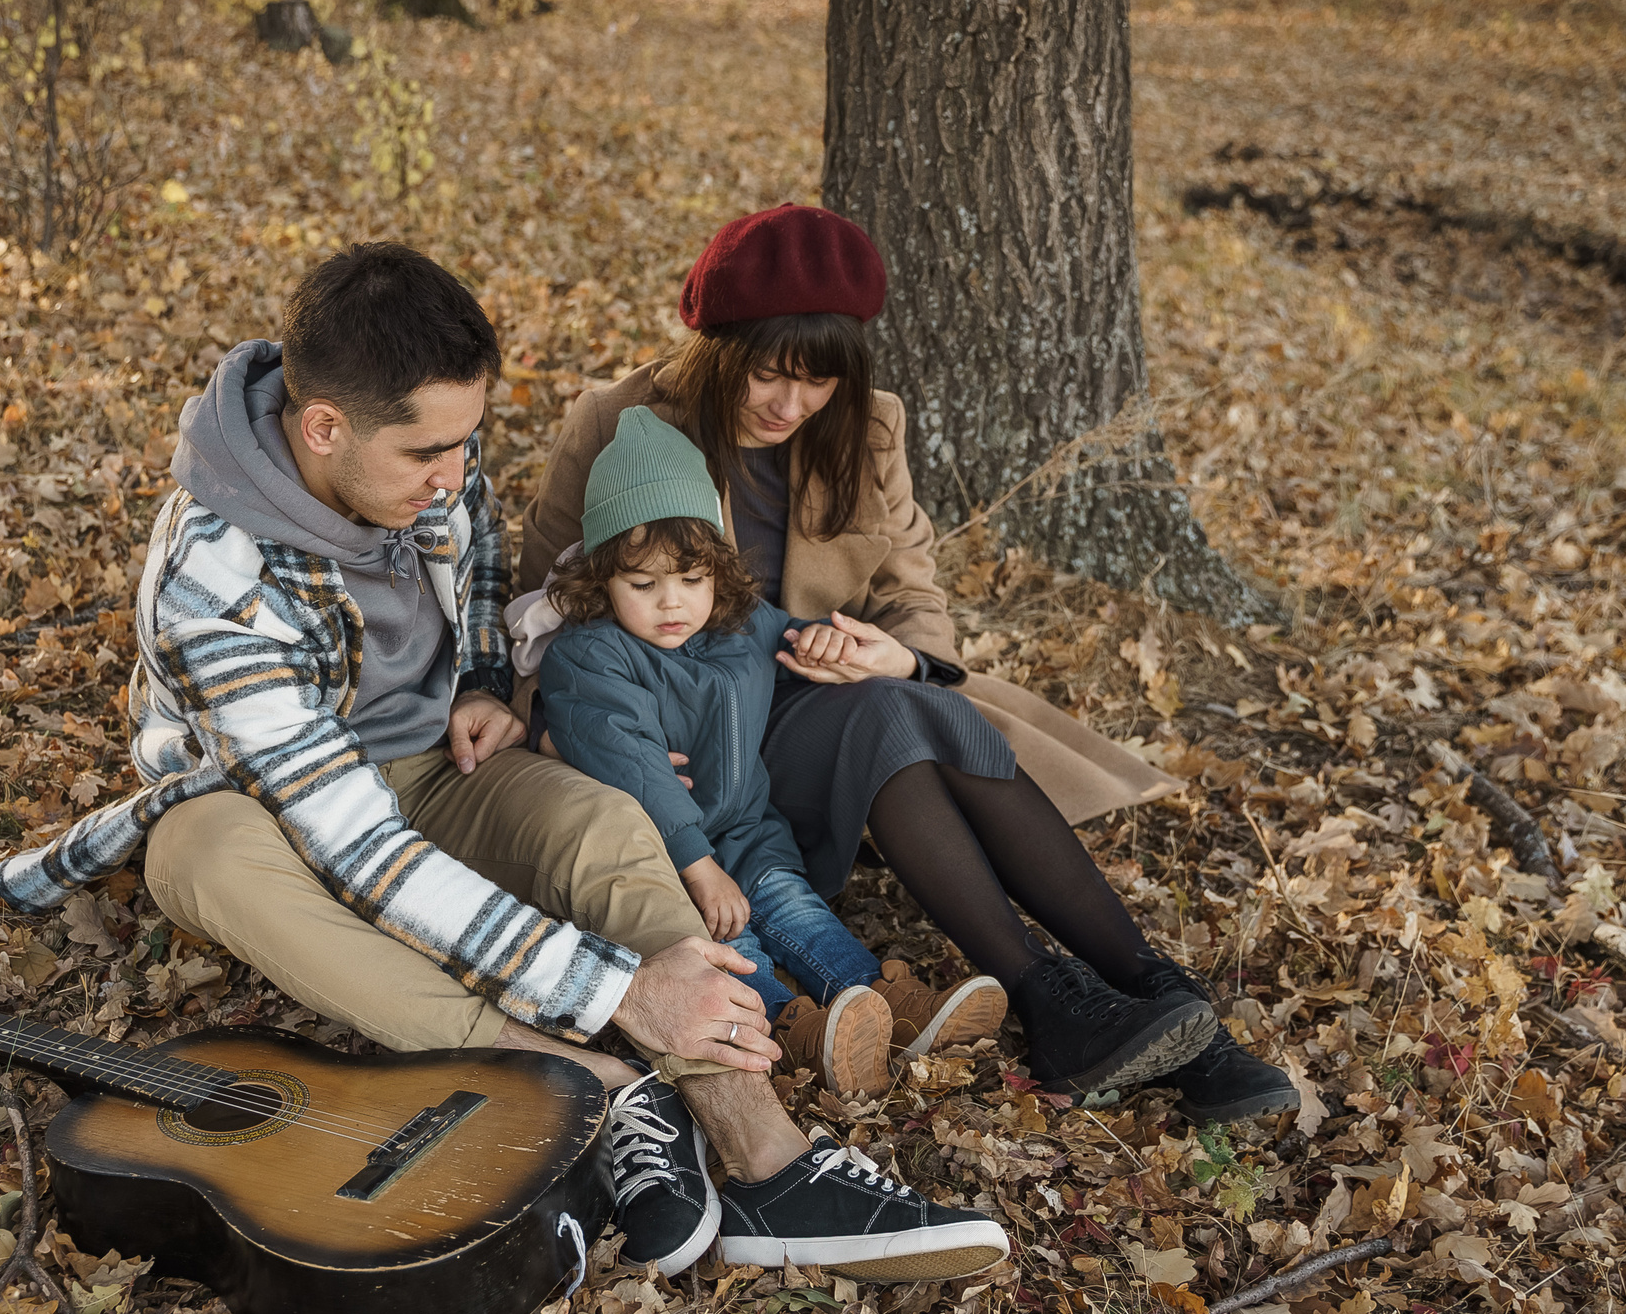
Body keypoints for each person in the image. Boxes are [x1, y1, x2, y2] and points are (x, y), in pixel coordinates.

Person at [0, 241, 1010, 1283]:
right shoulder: (215, 582)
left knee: (606, 827)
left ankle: (769, 1164)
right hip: (268, 805)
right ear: (323, 427)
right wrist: (609, 993)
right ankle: (590, 1085)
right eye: (427, 456)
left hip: (438, 758)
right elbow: (359, 851)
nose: (451, 477)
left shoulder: (425, 442)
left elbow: (478, 561)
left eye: (462, 446)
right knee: (197, 857)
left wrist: (482, 679)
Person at [517, 205, 1299, 1125]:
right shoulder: (623, 423)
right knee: (898, 717)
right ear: (719, 346)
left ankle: (1153, 997)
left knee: (909, 702)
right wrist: (554, 729)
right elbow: (543, 599)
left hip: (823, 687)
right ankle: (1059, 996)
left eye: (816, 382)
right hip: (693, 721)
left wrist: (900, 652)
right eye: (768, 371)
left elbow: (912, 587)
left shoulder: (867, 427)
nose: (788, 404)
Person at [517, 407, 1007, 1096]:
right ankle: (792, 1026)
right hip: (663, 853)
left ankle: (884, 1003)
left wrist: (827, 643)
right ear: (603, 579)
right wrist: (699, 866)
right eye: (643, 584)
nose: (671, 603)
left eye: (690, 578)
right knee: (733, 950)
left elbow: (794, 636)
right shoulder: (590, 655)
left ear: (717, 567)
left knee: (794, 907)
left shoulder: (739, 624)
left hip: (748, 829)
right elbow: (630, 761)